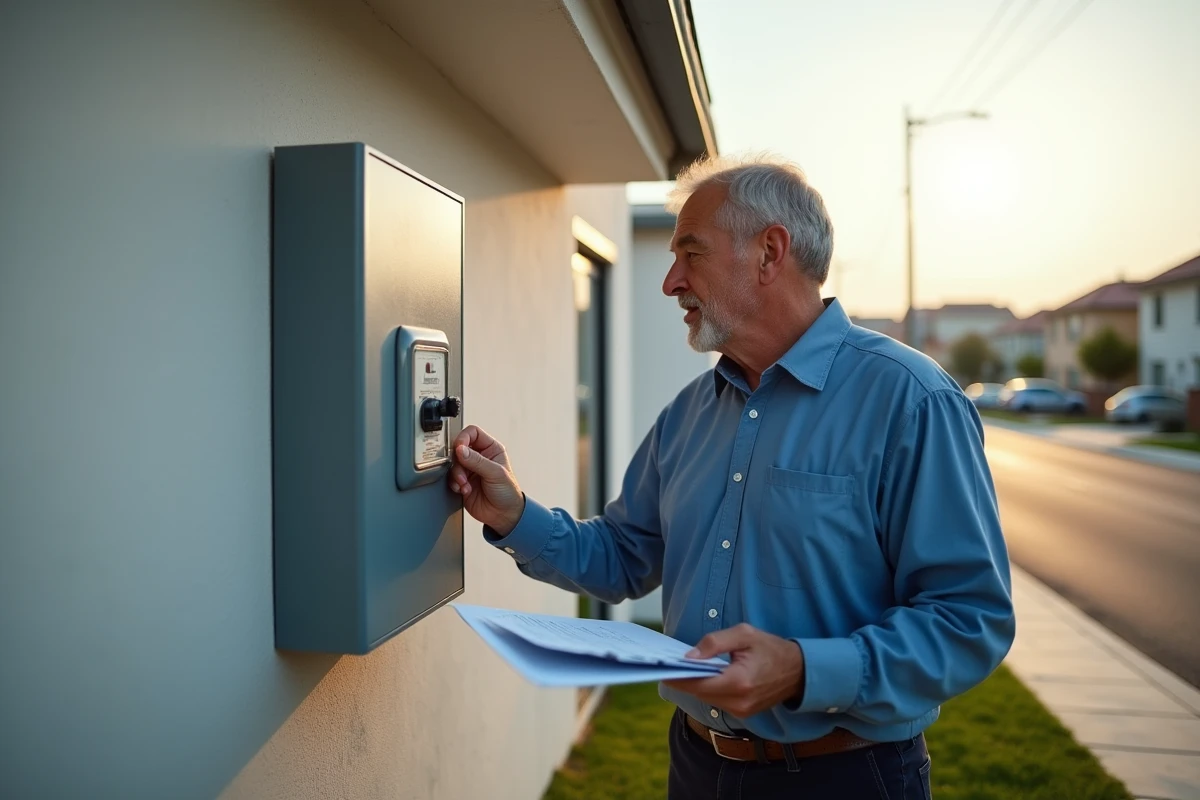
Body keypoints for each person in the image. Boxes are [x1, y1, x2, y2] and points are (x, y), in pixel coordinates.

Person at [448, 153, 1014, 799]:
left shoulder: (911, 399)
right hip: (697, 764)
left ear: (770, 252)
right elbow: (624, 555)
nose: (671, 282)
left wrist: (803, 669)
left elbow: (969, 617)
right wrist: (514, 514)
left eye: (692, 254)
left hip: (844, 776)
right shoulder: (688, 413)